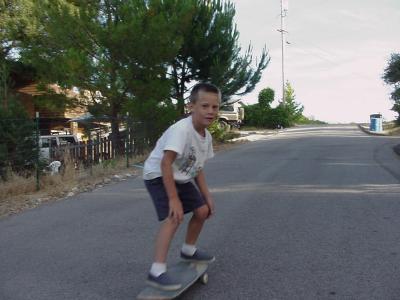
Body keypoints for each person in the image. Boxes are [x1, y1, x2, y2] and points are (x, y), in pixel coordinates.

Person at [143, 82, 220, 290]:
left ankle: (188, 249)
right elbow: (165, 163)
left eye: (215, 107)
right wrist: (173, 199)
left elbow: (198, 167)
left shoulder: (206, 136)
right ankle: (156, 271)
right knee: (174, 216)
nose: (210, 111)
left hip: (181, 176)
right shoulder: (181, 130)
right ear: (191, 107)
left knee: (202, 210)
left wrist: (207, 196)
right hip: (158, 175)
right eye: (205, 106)